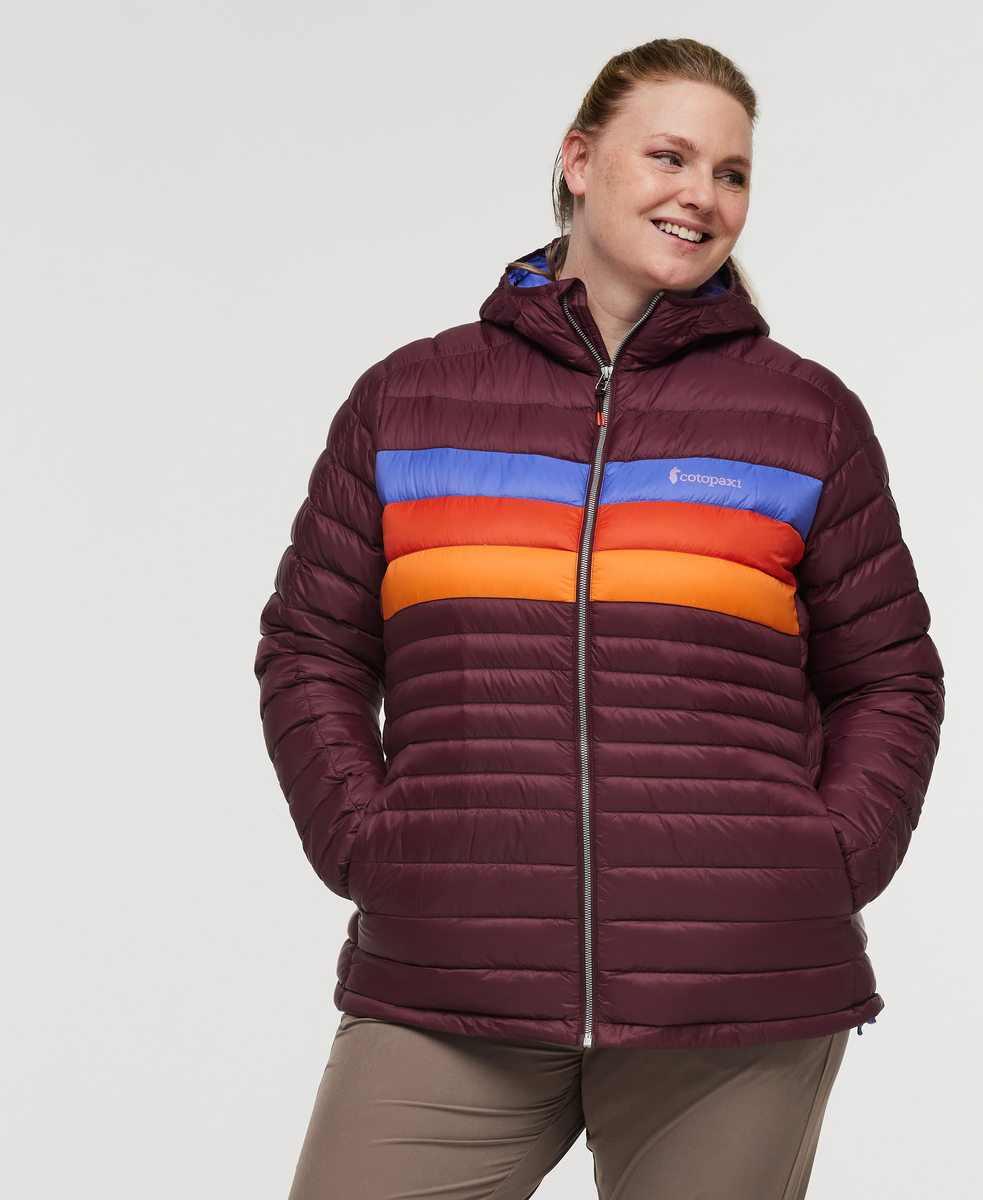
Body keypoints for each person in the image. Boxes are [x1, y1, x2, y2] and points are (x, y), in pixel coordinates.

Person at [256, 37, 944, 1200]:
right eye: (669, 156)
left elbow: (888, 675)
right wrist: (366, 839)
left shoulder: (802, 418)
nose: (702, 194)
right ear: (579, 161)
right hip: (448, 975)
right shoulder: (409, 401)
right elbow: (311, 646)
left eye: (731, 172)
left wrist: (826, 859)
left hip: (735, 998)